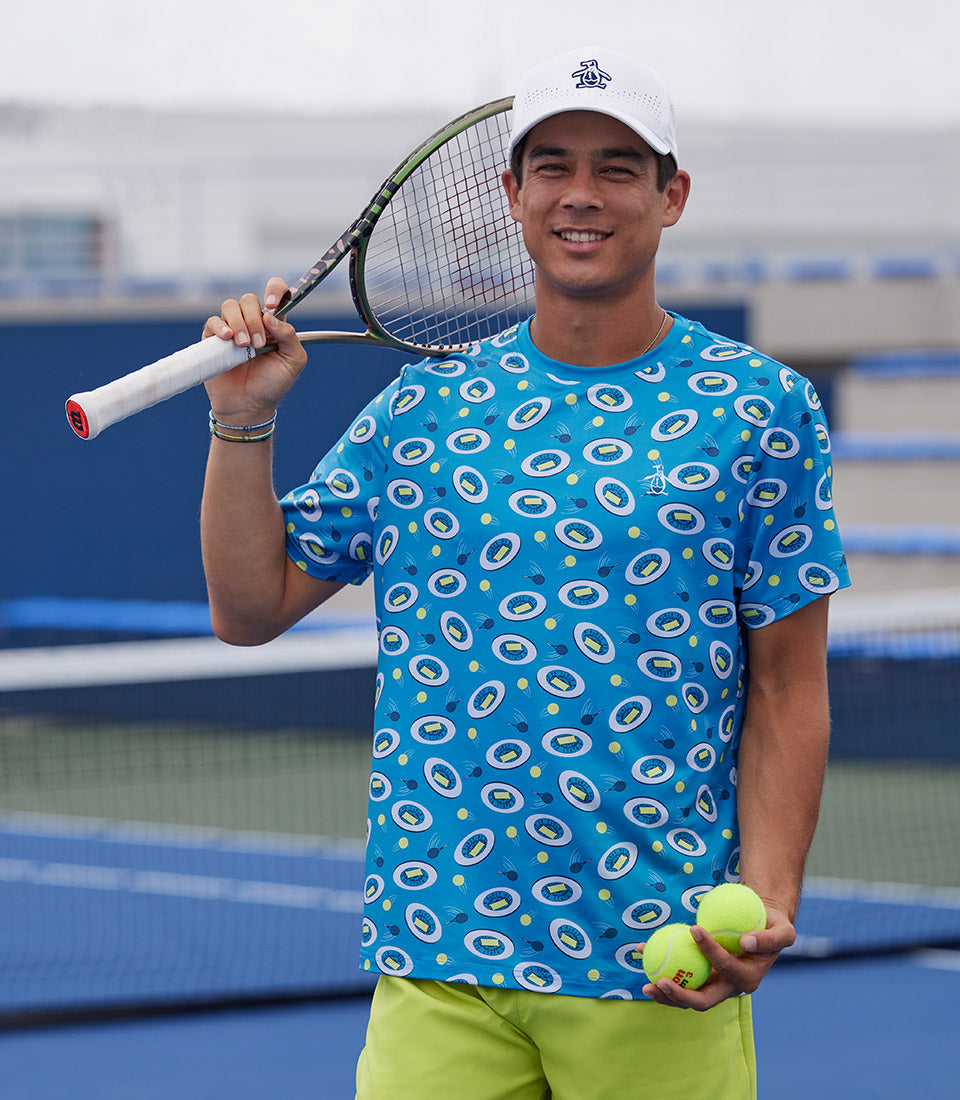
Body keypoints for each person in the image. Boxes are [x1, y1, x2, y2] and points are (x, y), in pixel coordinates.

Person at [200, 46, 849, 1100]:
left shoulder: (761, 409)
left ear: (671, 195)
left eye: (618, 167)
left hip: (658, 956)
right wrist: (243, 419)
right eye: (551, 166)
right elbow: (248, 605)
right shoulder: (420, 409)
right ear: (513, 193)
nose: (580, 194)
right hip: (438, 955)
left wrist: (768, 891)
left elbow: (788, 681)